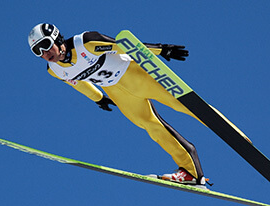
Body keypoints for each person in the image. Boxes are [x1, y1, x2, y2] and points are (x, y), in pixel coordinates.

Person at [28, 23, 208, 188]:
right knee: (151, 126)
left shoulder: (86, 43)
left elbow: (123, 45)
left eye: (45, 44)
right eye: (37, 51)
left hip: (136, 76)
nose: (44, 53)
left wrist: (161, 50)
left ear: (57, 38)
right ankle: (191, 173)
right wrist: (98, 98)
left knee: (186, 105)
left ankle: (226, 129)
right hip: (118, 93)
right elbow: (78, 83)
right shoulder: (55, 70)